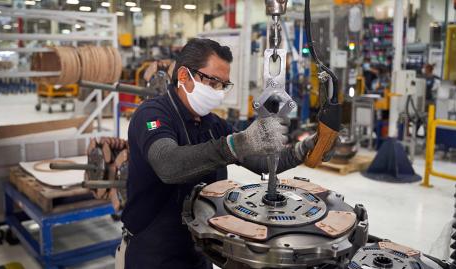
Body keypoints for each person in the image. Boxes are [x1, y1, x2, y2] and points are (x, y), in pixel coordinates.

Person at [115, 38, 333, 269]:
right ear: (183, 76)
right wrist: (238, 143)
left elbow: (258, 161)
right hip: (152, 253)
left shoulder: (212, 123)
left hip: (199, 247)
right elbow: (168, 164)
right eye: (213, 81)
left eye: (224, 85)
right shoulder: (152, 114)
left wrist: (303, 150)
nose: (219, 91)